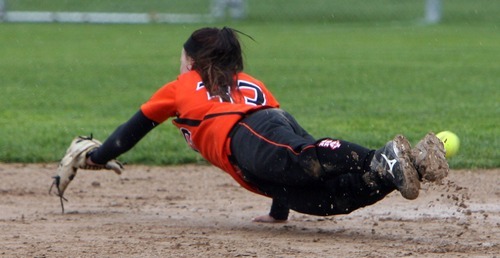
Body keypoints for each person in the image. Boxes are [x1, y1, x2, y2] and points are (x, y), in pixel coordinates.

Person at [81, 27, 448, 223]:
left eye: (182, 57)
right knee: (330, 200)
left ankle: (380, 157)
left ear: (192, 60)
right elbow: (286, 133)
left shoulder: (182, 85)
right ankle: (403, 168)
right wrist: (278, 210)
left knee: (301, 157)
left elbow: (132, 130)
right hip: (255, 152)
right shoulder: (249, 80)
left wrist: (97, 156)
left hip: (247, 132)